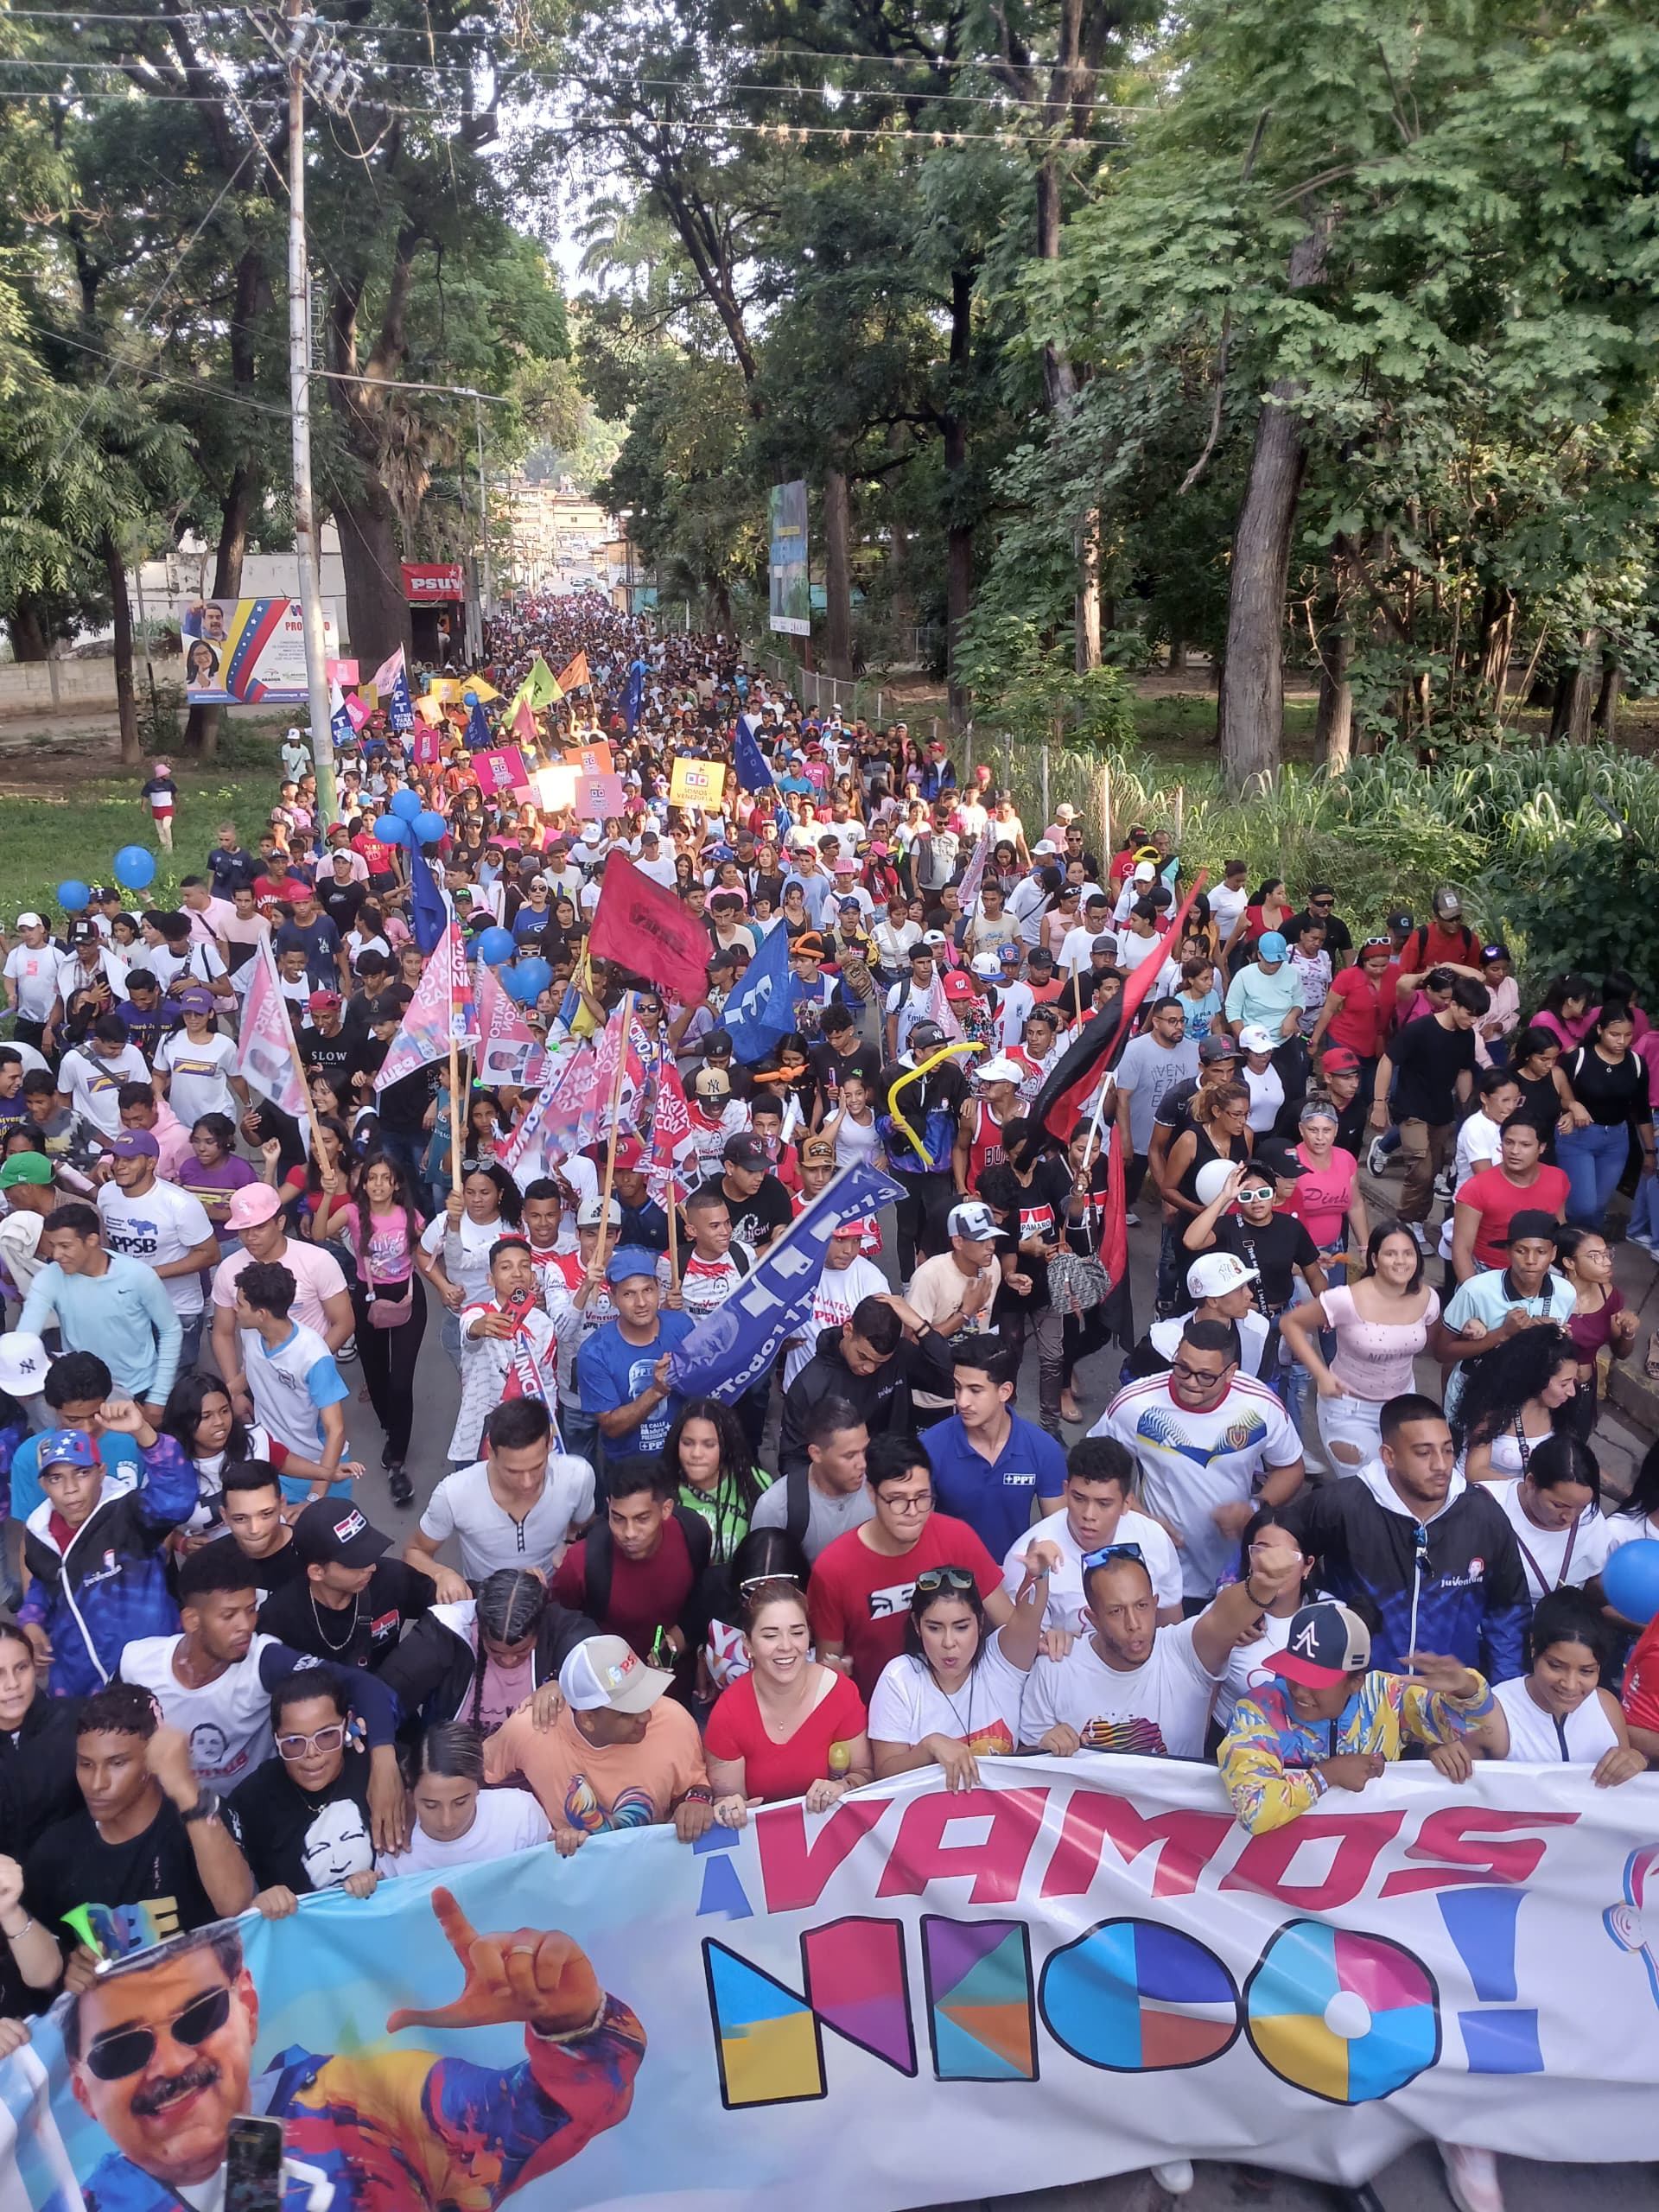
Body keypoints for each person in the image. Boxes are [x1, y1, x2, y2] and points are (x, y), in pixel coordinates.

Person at [41, 1898, 643, 2212]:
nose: (171, 2064)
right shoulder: (85, 2204)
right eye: (122, 2051)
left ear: (246, 2005)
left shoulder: (370, 2106)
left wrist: (573, 2025)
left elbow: (545, 2115)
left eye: (199, 2016)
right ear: (82, 2089)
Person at [3, 1691, 254, 2003]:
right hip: (120, 2022)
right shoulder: (55, 1851)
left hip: (206, 2011)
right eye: (85, 1764)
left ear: (151, 1763)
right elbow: (41, 1965)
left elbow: (234, 1902)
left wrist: (186, 1790)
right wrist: (69, 1969)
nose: (97, 1783)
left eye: (117, 1763)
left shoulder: (201, 1821)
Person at [117, 1540, 403, 1808]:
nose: (245, 1626)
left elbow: (363, 1685)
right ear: (192, 1620)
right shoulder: (137, 1663)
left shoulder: (264, 1661)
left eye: (251, 1610)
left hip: (255, 1810)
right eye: (229, 1616)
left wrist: (384, 1763)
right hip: (173, 1810)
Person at [1281, 1393, 1529, 1683]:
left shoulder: (1484, 1516)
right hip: (1358, 1689)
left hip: (1447, 1696)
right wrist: (1266, 1608)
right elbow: (1277, 1541)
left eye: (1448, 1450)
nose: (1441, 1465)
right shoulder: (1343, 1504)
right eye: (1424, 1453)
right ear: (1389, 1456)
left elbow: (1508, 1611)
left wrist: (1504, 1692)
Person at [1019, 1523, 1303, 1759]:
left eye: (1142, 1606)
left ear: (1156, 1603)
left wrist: (1260, 1586)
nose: (1134, 1624)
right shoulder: (1055, 1668)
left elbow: (1223, 1617)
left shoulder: (1184, 1651)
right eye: (1116, 1611)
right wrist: (1045, 1745)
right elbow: (1021, 1773)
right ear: (1093, 1618)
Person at [1218, 1599, 1494, 1829]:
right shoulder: (1257, 1710)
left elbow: (1472, 1725)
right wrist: (1327, 1775)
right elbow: (1253, 1811)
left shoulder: (1386, 1696)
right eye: (1294, 1673)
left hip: (1368, 1866)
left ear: (1356, 1682)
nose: (1300, 1691)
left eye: (1315, 1681)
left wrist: (1466, 1688)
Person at [1092, 1318, 1304, 1603]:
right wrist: (1142, 1519)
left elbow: (1290, 1467)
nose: (1190, 1382)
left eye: (1206, 1376)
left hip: (1234, 1576)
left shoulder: (1260, 1404)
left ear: (1231, 1372)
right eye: (1182, 1368)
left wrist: (1255, 1507)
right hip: (1159, 1575)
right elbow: (1093, 1469)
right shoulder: (1135, 1404)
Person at [806, 1433, 1010, 1697]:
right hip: (876, 1708)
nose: (913, 1512)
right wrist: (837, 1677)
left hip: (960, 1700)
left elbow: (1010, 1625)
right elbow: (829, 1664)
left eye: (922, 1497)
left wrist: (1043, 1629)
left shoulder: (957, 1538)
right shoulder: (834, 1568)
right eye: (897, 1499)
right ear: (872, 1493)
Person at [20, 1403, 200, 1697]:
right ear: (43, 1485)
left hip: (155, 1672)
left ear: (101, 1472)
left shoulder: (129, 1513)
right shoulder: (40, 1533)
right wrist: (31, 1620)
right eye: (56, 1478)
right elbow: (44, 1583)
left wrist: (144, 1433)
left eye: (81, 1473)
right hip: (81, 1685)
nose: (70, 1488)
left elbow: (177, 1499)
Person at [482, 1632, 714, 1847]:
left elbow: (694, 1783)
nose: (646, 1716)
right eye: (627, 1712)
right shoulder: (530, 1728)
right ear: (587, 1720)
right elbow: (480, 1780)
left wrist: (696, 1802)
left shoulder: (675, 1721)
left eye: (645, 1699)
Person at [868, 1538, 1056, 1785]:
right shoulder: (899, 1678)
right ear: (917, 1625)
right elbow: (884, 1774)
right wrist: (929, 1747)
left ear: (980, 1622)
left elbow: (1028, 1618)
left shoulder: (1001, 1663)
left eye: (961, 1627)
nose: (949, 1642)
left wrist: (1039, 1575)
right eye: (934, 1628)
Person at [222, 1669, 397, 1917]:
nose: (312, 1753)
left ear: (346, 1724)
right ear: (276, 1739)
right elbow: (223, 1895)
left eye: (326, 1736)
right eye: (294, 1742)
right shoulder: (253, 1799)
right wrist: (255, 1903)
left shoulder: (376, 1772)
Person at [1280, 1223, 1440, 1471]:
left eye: (1408, 1253)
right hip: (1349, 1409)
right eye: (1391, 1254)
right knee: (1366, 1480)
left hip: (1402, 1407)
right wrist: (1321, 1375)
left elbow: (1430, 1343)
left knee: (1401, 1480)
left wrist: (1470, 1328)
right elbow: (1290, 1323)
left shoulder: (1428, 1298)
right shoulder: (1346, 1299)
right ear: (1374, 1260)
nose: (1401, 1261)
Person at [705, 1580, 871, 1817]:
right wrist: (732, 1810)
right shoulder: (728, 1713)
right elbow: (725, 1799)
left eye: (797, 1633)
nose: (786, 1646)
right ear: (748, 1644)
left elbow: (865, 1774)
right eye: (770, 1635)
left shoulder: (841, 1692)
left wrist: (842, 1787)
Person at [1448, 1587, 1644, 1781]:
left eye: (1587, 1671)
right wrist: (1439, 1749)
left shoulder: (1607, 1706)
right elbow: (1460, 1790)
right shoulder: (1494, 1712)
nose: (1570, 1685)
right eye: (1556, 1666)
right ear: (1533, 1647)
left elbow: (1625, 1781)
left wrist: (1637, 1760)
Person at [380, 1567, 597, 1736]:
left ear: (539, 1628)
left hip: (536, 1771)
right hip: (452, 1769)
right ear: (479, 1625)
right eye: (495, 1651)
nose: (508, 1660)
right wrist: (389, 1752)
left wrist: (564, 1682)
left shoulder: (561, 1627)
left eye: (522, 1651)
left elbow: (604, 1662)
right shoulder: (445, 1633)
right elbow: (383, 1699)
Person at [999, 1437, 1182, 1632]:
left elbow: (1171, 1631)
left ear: (1127, 1503)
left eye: (1104, 1504)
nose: (1088, 1515)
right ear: (1066, 1491)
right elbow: (1023, 1644)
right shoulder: (1028, 1560)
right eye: (1079, 1499)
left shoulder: (1154, 1538)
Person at [20, 1202, 183, 1417]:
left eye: (65, 1246)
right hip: (83, 1395)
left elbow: (171, 1330)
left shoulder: (139, 1276)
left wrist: (159, 1397)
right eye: (53, 1245)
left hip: (139, 1389)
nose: (56, 1254)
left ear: (92, 1240)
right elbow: (26, 1335)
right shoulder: (49, 1277)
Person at [410, 1398, 595, 1586]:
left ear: (549, 1445)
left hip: (555, 1596)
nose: (527, 1483)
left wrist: (570, 1543)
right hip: (487, 1601)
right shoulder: (453, 1494)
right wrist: (441, 1575)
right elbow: (414, 1552)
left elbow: (583, 1527)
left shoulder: (578, 1477)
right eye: (513, 1472)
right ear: (491, 1453)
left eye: (537, 1467)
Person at [550, 1458, 712, 1669]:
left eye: (642, 1519)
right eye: (618, 1518)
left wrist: (682, 1643)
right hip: (610, 1682)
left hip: (682, 1677)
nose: (629, 1533)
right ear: (608, 1507)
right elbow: (558, 1627)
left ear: (666, 1509)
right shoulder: (581, 1562)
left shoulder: (693, 1532)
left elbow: (703, 1601)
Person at [777, 1292, 954, 1478]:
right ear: (848, 1330)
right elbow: (793, 1460)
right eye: (862, 1356)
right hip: (843, 1485)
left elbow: (951, 1383)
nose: (869, 1368)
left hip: (897, 1476)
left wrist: (920, 1326)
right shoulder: (810, 1385)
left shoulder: (901, 1357)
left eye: (880, 1363)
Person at [258, 1496, 444, 1669]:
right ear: (317, 1572)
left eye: (370, 1553)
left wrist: (444, 1576)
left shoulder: (394, 1578)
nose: (371, 1567)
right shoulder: (278, 1617)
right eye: (356, 1562)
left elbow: (455, 1612)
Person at [920, 1338, 1067, 1554]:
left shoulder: (1044, 1449)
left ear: (1004, 1391)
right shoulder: (929, 1447)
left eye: (975, 1390)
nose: (962, 1401)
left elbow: (1057, 1535)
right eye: (958, 1387)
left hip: (1014, 1571)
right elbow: (919, 1535)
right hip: (949, 1572)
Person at [94, 1128, 219, 1373]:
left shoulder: (180, 1203)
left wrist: (150, 1274)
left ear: (151, 1162)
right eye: (117, 1158)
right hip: (127, 1308)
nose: (119, 1166)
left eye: (130, 1160)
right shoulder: (107, 1194)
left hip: (176, 1310)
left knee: (174, 1387)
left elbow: (210, 1254)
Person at [230, 1261, 354, 1504]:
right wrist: (222, 1395)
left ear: (262, 1314)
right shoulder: (250, 1332)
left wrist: (315, 1495)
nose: (234, 1309)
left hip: (316, 1467)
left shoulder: (313, 1355)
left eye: (240, 1304)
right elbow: (255, 1369)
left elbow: (336, 1430)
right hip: (271, 1461)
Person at [1369, 976, 1487, 1230]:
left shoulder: (1466, 1036)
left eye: (1478, 1017)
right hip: (1411, 1107)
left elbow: (1464, 1071)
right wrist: (1379, 1103)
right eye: (1470, 1014)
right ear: (1453, 1004)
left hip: (1441, 1110)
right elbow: (1388, 1060)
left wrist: (1467, 1109)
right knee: (1420, 1169)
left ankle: (1418, 1221)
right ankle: (1406, 1221)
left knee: (1433, 1171)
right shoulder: (1420, 1029)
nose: (1473, 1021)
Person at [377, 1721, 552, 1876]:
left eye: (460, 1802)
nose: (447, 1821)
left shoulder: (521, 1816)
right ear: (410, 1794)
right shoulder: (393, 1840)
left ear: (478, 1785)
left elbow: (549, 1882)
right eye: (430, 1805)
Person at [575, 1247, 695, 1463]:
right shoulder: (594, 1353)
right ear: (613, 1298)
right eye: (628, 1294)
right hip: (629, 1468)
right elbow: (611, 1426)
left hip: (683, 1459)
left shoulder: (682, 1327)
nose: (641, 1302)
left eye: (647, 1290)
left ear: (658, 1289)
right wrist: (656, 1391)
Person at [1468, 1432, 1612, 1604]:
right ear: (1531, 1482)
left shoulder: (1590, 1515)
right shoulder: (1482, 1508)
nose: (1570, 1517)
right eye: (1558, 1505)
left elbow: (1596, 1577)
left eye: (1581, 1507)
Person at [1554, 1001, 1652, 1228]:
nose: (1622, 1041)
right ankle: (1566, 1237)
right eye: (1614, 1034)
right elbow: (1553, 1094)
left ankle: (1590, 1245)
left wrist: (1649, 1151)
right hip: (1578, 1137)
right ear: (1600, 1030)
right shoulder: (1579, 1059)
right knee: (1583, 1206)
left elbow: (1641, 1109)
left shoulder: (1637, 1064)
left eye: (1628, 1035)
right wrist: (1571, 1106)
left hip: (1617, 1140)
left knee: (1599, 1206)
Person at [751, 1396, 874, 1560]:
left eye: (864, 1450)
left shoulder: (881, 1487)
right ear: (816, 1454)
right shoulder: (776, 1508)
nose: (862, 1464)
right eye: (849, 1456)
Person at [1449, 1113, 1569, 1278]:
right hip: (1489, 1271)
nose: (1514, 1151)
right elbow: (1461, 1248)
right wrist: (1471, 1290)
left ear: (1541, 1147)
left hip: (1543, 1269)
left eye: (1525, 1145)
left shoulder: (1557, 1179)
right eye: (1509, 1142)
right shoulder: (1476, 1188)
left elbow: (1559, 1226)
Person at [665, 1396, 771, 1562]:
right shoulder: (661, 1489)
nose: (696, 1454)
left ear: (726, 1447)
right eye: (687, 1443)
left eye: (709, 1445)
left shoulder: (756, 1482)